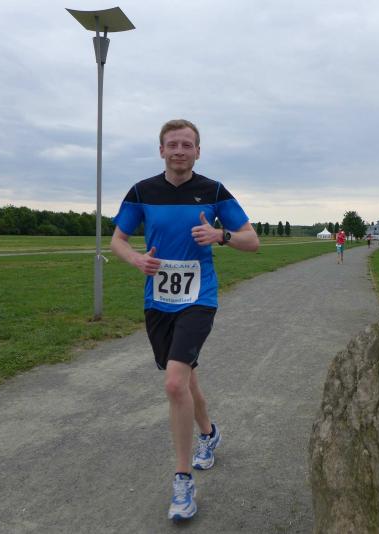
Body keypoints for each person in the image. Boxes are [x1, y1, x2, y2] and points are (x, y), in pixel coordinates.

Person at [110, 119, 260, 521]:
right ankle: (209, 434)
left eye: (187, 144)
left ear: (198, 151)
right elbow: (117, 240)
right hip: (158, 301)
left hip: (199, 298)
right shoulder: (142, 191)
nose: (179, 151)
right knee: (186, 377)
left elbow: (252, 241)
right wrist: (136, 259)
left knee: (175, 382)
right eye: (172, 144)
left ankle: (182, 480)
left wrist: (221, 236)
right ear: (161, 150)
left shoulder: (214, 191)